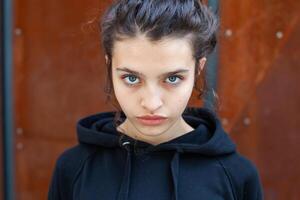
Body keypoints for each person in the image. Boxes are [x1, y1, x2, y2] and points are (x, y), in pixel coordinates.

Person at [48, 0, 263, 199]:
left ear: (199, 69)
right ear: (109, 66)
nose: (151, 103)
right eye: (131, 78)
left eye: (172, 78)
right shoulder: (73, 168)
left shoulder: (236, 176)